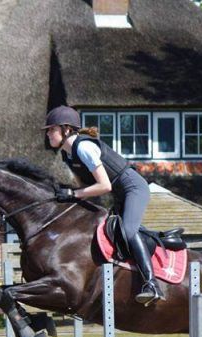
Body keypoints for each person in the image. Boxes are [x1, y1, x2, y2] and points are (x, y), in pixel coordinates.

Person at [42, 105, 164, 305]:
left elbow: (104, 186)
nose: (47, 133)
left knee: (128, 231)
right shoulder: (68, 154)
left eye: (51, 129)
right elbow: (85, 187)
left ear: (66, 129)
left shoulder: (83, 147)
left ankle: (152, 284)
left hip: (133, 188)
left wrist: (73, 193)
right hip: (119, 194)